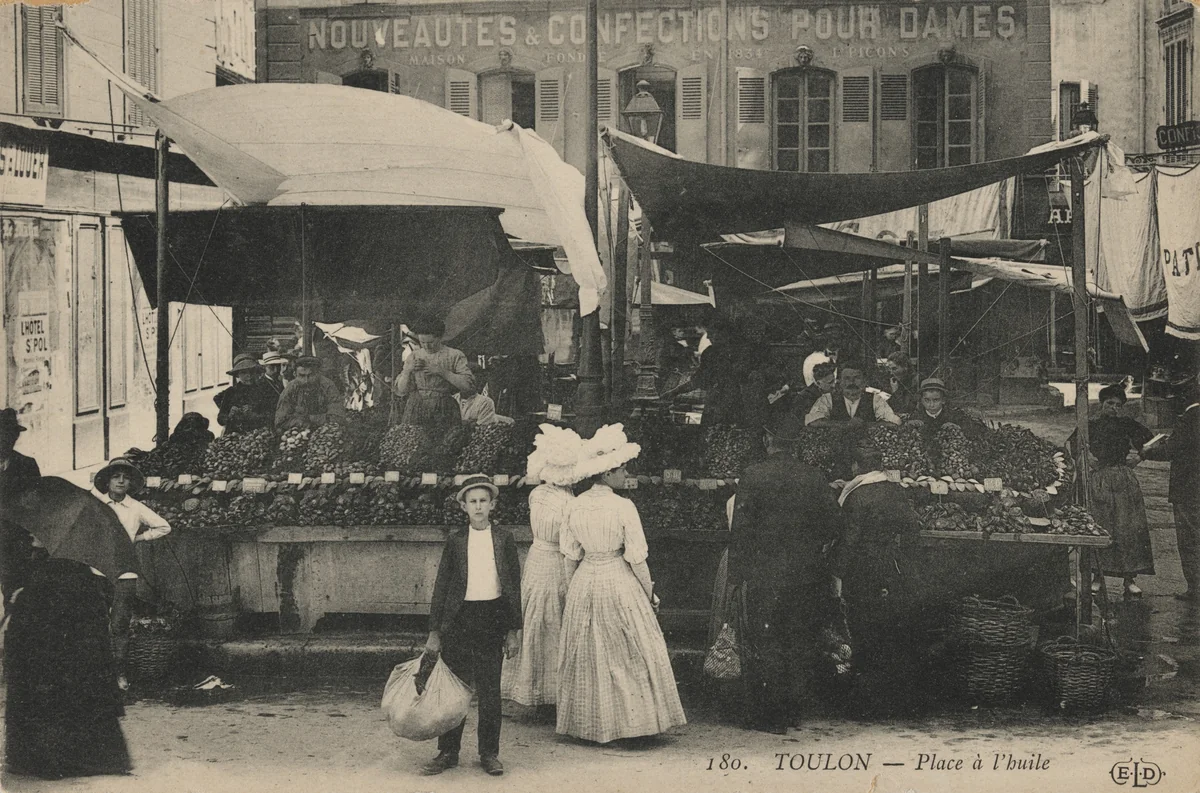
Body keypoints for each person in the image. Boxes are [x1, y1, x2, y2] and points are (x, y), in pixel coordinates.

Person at [556, 424, 686, 743]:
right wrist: (649, 594)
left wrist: (573, 591)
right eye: (623, 468)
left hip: (586, 577)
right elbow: (637, 558)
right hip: (617, 577)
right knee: (628, 651)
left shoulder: (574, 505)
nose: (625, 473)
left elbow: (570, 556)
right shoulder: (623, 506)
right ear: (609, 471)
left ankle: (589, 723)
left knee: (589, 652)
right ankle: (632, 724)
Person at [3, 480, 135, 779]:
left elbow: (45, 618)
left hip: (60, 654)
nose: (33, 533)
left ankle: (56, 759)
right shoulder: (55, 567)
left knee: (56, 692)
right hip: (62, 650)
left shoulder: (61, 572)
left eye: (39, 529)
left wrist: (25, 598)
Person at [723, 415, 844, 733]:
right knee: (799, 640)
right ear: (796, 446)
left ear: (767, 442)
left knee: (767, 641)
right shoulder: (814, 477)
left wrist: (736, 577)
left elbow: (741, 530)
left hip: (765, 575)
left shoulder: (753, 475)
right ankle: (792, 712)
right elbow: (833, 524)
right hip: (806, 575)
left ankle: (769, 715)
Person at [422, 475, 523, 777]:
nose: (478, 507)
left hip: (492, 618)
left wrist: (513, 629)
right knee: (455, 689)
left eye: (483, 501)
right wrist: (435, 631)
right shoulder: (455, 540)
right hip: (460, 620)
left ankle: (489, 753)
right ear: (464, 507)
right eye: (472, 502)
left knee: (490, 691)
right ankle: (448, 751)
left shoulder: (504, 539)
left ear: (492, 505)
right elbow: (442, 586)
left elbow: (513, 587)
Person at [833, 441, 924, 717]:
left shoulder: (857, 496)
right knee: (890, 634)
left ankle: (865, 704)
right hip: (891, 568)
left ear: (855, 467)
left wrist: (837, 572)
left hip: (863, 570)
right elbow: (912, 528)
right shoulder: (895, 491)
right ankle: (893, 700)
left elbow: (848, 540)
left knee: (862, 632)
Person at [500, 425, 581, 716]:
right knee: (554, 624)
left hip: (536, 559)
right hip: (556, 563)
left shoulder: (537, 495)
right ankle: (553, 696)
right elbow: (570, 547)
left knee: (533, 619)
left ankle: (528, 691)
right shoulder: (570, 504)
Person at [1066, 383, 1156, 597]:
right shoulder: (1090, 425)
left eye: (1118, 405)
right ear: (1102, 403)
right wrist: (1085, 458)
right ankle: (1098, 577)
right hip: (1099, 481)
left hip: (1123, 480)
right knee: (1100, 527)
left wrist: (1139, 457)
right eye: (1110, 403)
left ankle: (1129, 580)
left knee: (1127, 529)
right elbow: (1071, 446)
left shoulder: (1127, 424)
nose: (1114, 408)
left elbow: (1153, 441)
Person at [91, 457, 170, 690]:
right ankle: (97, 675)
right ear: (107, 481)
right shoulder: (95, 504)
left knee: (120, 624)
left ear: (130, 483)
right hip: (97, 570)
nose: (121, 481)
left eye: (125, 478)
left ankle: (120, 674)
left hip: (125, 573)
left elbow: (164, 526)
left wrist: (139, 537)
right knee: (95, 623)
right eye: (116, 476)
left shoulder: (135, 507)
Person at [1142, 380, 1200, 601]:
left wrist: (1148, 451)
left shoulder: (1190, 417)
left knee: (1190, 539)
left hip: (1189, 488)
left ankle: (1196, 588)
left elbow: (1173, 451)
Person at [395, 317, 473, 438]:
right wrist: (407, 371)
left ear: (440, 338)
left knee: (445, 443)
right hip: (416, 408)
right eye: (422, 342)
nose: (427, 346)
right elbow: (402, 390)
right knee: (413, 442)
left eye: (431, 342)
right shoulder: (414, 356)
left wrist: (442, 372)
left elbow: (468, 386)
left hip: (444, 408)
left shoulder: (454, 355)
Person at [1, 408, 41, 608]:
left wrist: (35, 539)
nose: (8, 439)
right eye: (3, 433)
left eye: (11, 434)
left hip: (14, 542)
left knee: (15, 593)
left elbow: (37, 505)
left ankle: (11, 634)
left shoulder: (27, 465)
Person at [805, 363, 901, 427]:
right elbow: (813, 421)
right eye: (847, 378)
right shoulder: (827, 399)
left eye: (857, 378)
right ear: (840, 382)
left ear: (864, 382)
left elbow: (894, 422)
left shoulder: (876, 399)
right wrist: (846, 424)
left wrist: (865, 425)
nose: (851, 382)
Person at [274, 355, 345, 432]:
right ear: (295, 374)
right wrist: (306, 423)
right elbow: (280, 421)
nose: (306, 381)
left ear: (318, 373)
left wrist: (308, 418)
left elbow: (338, 418)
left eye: (311, 375)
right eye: (301, 376)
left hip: (325, 433)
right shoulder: (291, 389)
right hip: (298, 435)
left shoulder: (328, 386)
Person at [214, 354, 277, 434]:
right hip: (235, 436)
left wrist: (254, 415)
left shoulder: (264, 390)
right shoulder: (231, 392)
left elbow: (272, 415)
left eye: (251, 371)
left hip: (259, 435)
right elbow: (220, 419)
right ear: (237, 374)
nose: (249, 375)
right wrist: (230, 415)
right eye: (244, 372)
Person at [882, 352, 919, 416]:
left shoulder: (915, 383)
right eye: (889, 369)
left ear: (905, 367)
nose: (891, 372)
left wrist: (896, 392)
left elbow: (907, 409)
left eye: (894, 369)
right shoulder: (893, 382)